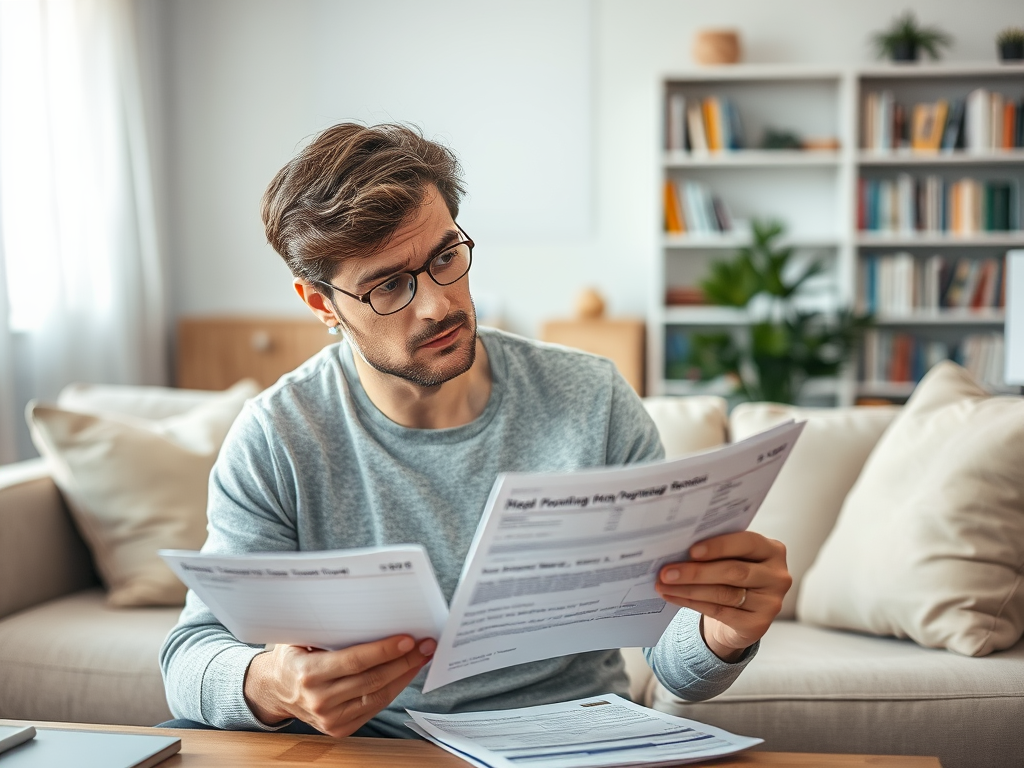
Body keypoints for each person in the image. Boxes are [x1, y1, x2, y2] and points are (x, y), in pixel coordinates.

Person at [159, 123, 791, 739]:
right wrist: (270, 683)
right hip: (379, 751)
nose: (437, 303)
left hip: (572, 738)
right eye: (389, 287)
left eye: (445, 258)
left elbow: (672, 661)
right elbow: (190, 656)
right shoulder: (278, 436)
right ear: (321, 303)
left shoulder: (591, 399)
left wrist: (725, 633)